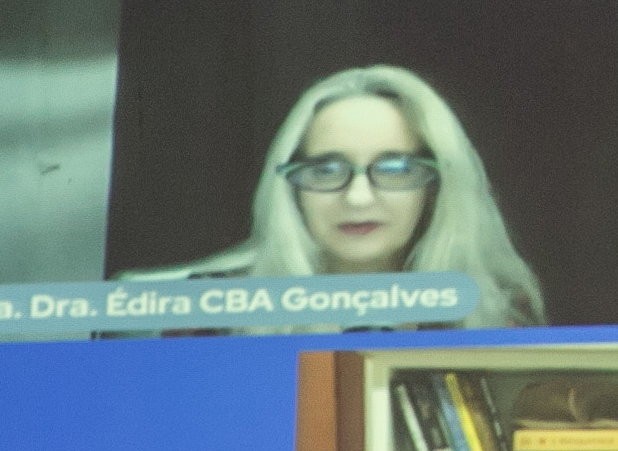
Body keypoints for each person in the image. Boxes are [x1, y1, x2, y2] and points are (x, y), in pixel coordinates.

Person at [122, 64, 544, 327]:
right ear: (289, 188)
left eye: (395, 169)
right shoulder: (214, 309)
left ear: (436, 187)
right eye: (325, 171)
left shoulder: (497, 312)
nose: (358, 199)